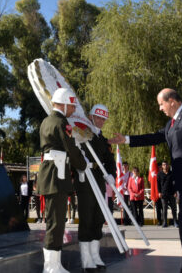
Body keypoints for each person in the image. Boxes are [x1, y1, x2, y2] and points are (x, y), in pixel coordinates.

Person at [111, 88, 182, 273]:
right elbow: (154, 137)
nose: (160, 108)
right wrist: (126, 139)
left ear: (172, 101)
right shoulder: (171, 125)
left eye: (161, 104)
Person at [38, 88, 86, 273]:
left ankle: (55, 265)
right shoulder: (61, 122)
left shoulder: (47, 121)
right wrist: (83, 164)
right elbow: (71, 149)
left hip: (53, 175)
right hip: (56, 176)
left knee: (56, 223)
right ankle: (50, 268)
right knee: (55, 224)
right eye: (71, 106)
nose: (73, 110)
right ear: (64, 104)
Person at [74, 104, 115, 271]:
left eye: (103, 119)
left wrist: (112, 173)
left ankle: (95, 254)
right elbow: (74, 153)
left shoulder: (102, 139)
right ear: (90, 117)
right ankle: (86, 258)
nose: (100, 121)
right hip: (85, 177)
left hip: (98, 178)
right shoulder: (82, 133)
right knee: (87, 216)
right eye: (98, 118)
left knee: (98, 216)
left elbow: (109, 159)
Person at [158, 161, 178, 227]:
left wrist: (175, 192)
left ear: (168, 166)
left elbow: (175, 183)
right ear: (162, 166)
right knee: (164, 209)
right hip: (163, 194)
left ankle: (175, 222)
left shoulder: (172, 173)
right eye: (164, 165)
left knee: (174, 209)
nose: (165, 166)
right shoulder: (159, 174)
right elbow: (158, 184)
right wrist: (159, 192)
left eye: (166, 165)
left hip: (172, 193)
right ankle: (165, 222)